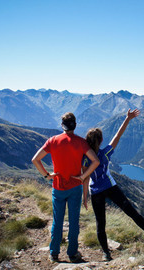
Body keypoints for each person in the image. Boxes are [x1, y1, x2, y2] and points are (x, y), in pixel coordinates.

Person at [82, 109, 144, 261]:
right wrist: (127, 119)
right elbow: (118, 136)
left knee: (100, 223)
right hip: (111, 187)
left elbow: (85, 178)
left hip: (95, 192)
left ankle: (106, 254)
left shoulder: (84, 159)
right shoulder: (105, 153)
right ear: (101, 141)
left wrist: (84, 197)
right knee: (131, 211)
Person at [32, 112, 100, 263]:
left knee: (58, 221)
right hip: (75, 187)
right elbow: (95, 161)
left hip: (58, 187)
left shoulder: (52, 141)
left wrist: (47, 175)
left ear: (62, 125)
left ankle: (54, 253)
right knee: (74, 221)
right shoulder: (81, 143)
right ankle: (72, 253)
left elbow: (35, 159)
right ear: (75, 125)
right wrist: (83, 177)